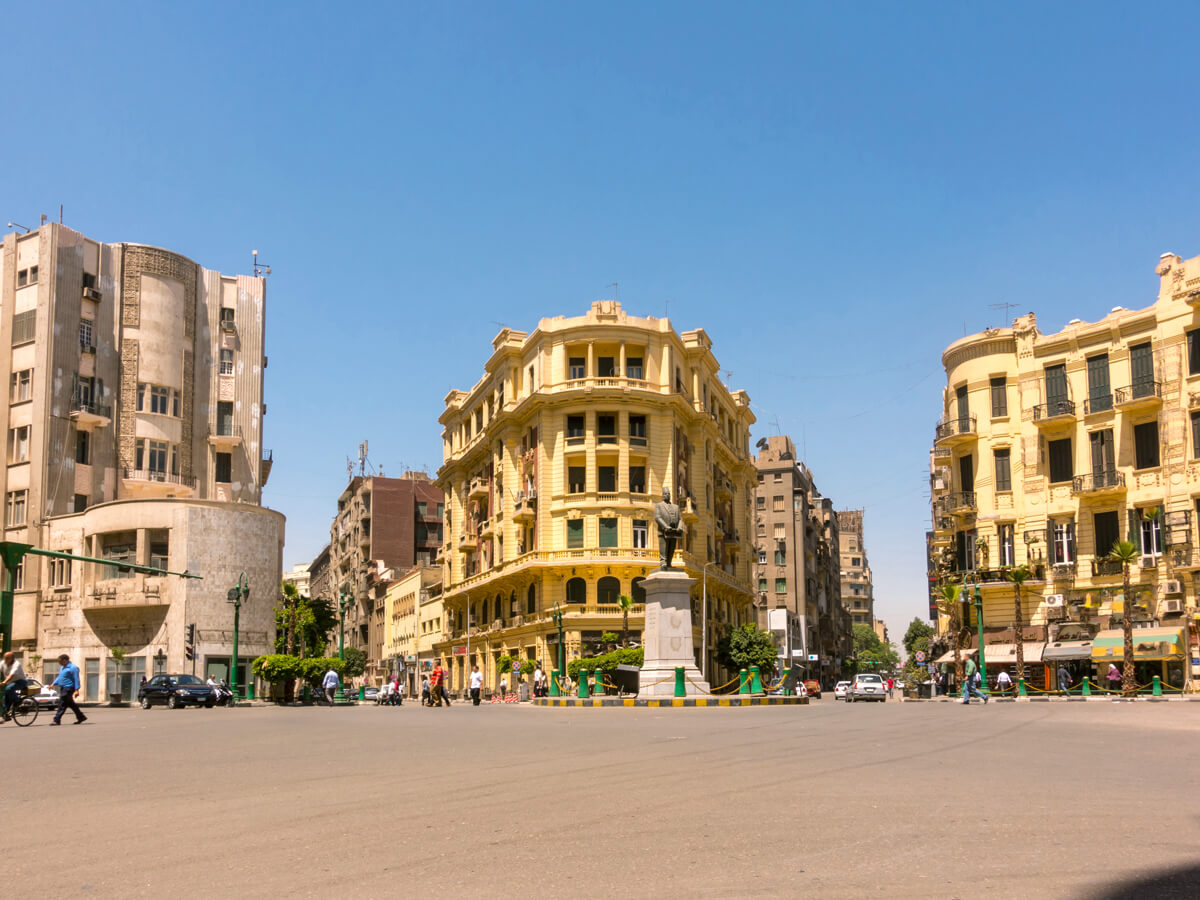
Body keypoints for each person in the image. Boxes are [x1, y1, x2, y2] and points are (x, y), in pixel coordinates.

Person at [51, 653, 87, 725]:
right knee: (71, 704)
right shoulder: (62, 668)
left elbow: (76, 679)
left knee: (62, 703)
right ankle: (81, 717)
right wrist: (53, 683)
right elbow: (60, 677)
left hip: (69, 688)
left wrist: (77, 690)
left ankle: (57, 719)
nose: (59, 663)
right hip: (63, 687)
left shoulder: (73, 668)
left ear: (65, 660)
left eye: (60, 661)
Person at [1, 651, 28, 721]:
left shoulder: (16, 664)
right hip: (11, 683)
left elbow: (11, 675)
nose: (5, 660)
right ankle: (6, 714)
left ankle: (17, 702)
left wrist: (4, 682)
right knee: (5, 699)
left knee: (8, 689)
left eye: (7, 658)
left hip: (21, 681)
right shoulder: (2, 663)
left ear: (12, 658)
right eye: (5, 658)